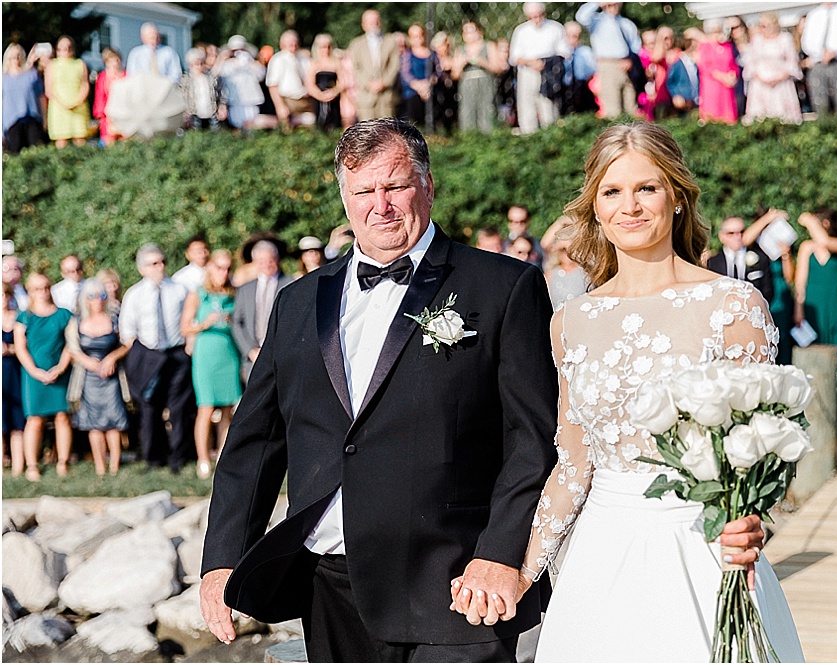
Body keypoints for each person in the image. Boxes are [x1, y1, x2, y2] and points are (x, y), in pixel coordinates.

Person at [200, 118, 559, 663]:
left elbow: (532, 439)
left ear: (427, 185)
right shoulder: (298, 301)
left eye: (395, 186)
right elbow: (255, 441)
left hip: (458, 582)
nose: (380, 205)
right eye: (364, 191)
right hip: (330, 584)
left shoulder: (505, 287)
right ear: (344, 198)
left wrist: (500, 555)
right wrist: (223, 557)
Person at [450, 122, 802, 662]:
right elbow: (572, 464)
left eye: (647, 188)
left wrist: (750, 522)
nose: (630, 206)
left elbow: (765, 449)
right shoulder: (571, 320)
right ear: (595, 207)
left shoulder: (733, 305)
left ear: (677, 197)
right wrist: (518, 571)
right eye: (612, 192)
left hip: (704, 551)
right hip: (601, 556)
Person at [119, 243, 195, 473]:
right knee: (149, 407)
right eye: (153, 263)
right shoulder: (135, 294)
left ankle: (178, 457)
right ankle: (154, 456)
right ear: (142, 268)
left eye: (162, 262)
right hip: (148, 354)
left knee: (179, 408)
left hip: (175, 353)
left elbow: (188, 321)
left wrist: (187, 346)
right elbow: (127, 330)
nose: (160, 267)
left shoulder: (179, 289)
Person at [180, 249, 241, 480]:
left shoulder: (233, 294)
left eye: (227, 268)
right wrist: (204, 323)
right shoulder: (197, 294)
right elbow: (184, 328)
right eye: (219, 267)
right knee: (205, 408)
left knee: (227, 409)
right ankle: (203, 458)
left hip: (228, 354)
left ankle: (223, 455)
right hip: (206, 355)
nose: (223, 273)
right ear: (210, 267)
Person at [66, 278, 130, 477]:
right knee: (93, 423)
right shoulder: (76, 321)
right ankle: (100, 467)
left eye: (101, 295)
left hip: (111, 378)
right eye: (92, 296)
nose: (97, 300)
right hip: (88, 378)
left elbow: (127, 343)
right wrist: (87, 362)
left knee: (113, 420)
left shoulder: (115, 319)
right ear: (85, 299)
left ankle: (114, 467)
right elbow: (72, 348)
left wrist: (112, 358)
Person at [14, 273, 73, 481]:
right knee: (35, 419)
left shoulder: (64, 315)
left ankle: (62, 462)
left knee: (62, 417)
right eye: (37, 288)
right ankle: (31, 466)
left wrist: (60, 368)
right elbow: (21, 348)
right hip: (33, 375)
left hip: (60, 372)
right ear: (30, 291)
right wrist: (35, 371)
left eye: (46, 287)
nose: (43, 292)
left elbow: (70, 344)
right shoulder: (24, 317)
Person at [794, 209, 837, 369]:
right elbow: (800, 282)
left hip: (835, 305)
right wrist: (798, 309)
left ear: (825, 224)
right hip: (812, 306)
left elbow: (825, 243)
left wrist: (808, 220)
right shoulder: (807, 247)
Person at [231, 239, 292, 381]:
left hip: (281, 357)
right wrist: (249, 350)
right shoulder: (245, 289)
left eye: (270, 260)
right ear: (255, 262)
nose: (266, 264)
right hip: (253, 358)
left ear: (277, 259)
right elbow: (237, 322)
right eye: (261, 261)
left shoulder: (291, 284)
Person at [743, 208, 796, 363]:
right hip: (760, 292)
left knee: (781, 335)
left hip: (780, 295)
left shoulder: (782, 244)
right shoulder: (755, 247)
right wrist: (768, 218)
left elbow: (790, 277)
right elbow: (744, 239)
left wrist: (786, 254)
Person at [509, 3, 569, 135]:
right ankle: (528, 136)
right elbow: (514, 57)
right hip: (528, 73)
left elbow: (564, 52)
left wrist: (546, 63)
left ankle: (551, 136)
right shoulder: (521, 31)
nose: (536, 19)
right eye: (532, 17)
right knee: (527, 107)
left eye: (539, 15)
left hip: (549, 73)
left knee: (549, 109)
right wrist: (531, 63)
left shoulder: (555, 28)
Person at [576, 2, 642, 119]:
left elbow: (636, 46)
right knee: (612, 110)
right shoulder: (597, 21)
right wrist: (597, 3)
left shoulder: (626, 23)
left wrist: (630, 61)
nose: (613, 6)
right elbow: (581, 16)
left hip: (627, 67)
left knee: (631, 107)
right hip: (607, 65)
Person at [742, 13, 803, 124]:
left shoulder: (785, 39)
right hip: (760, 84)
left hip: (781, 84)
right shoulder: (756, 40)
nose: (763, 29)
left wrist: (780, 78)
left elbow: (792, 61)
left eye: (765, 26)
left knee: (784, 118)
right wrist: (760, 78)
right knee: (760, 118)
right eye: (761, 26)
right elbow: (750, 63)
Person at [347, 10, 401, 121]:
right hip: (366, 97)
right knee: (367, 133)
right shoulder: (356, 44)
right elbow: (356, 68)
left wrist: (384, 82)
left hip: (387, 97)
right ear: (363, 24)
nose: (374, 23)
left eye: (376, 20)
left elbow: (395, 65)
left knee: (387, 132)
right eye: (370, 21)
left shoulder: (391, 42)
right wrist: (369, 84)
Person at [707, 216, 774, 304]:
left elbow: (767, 292)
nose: (737, 236)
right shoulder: (712, 262)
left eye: (741, 232)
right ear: (721, 236)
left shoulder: (761, 258)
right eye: (731, 233)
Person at [452, 21, 501, 133]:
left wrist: (481, 61)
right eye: (465, 31)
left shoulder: (488, 45)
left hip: (485, 82)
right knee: (468, 114)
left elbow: (497, 68)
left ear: (479, 32)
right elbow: (455, 75)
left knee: (487, 112)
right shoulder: (460, 50)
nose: (468, 34)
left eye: (471, 31)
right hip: (467, 85)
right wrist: (461, 64)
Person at [686, 21, 738, 125]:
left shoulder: (727, 46)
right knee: (712, 114)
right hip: (712, 85)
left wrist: (733, 75)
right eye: (714, 32)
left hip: (726, 87)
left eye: (719, 31)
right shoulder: (706, 46)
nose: (717, 35)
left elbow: (733, 64)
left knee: (727, 114)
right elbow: (705, 66)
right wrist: (722, 77)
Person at [45, 36, 90, 149]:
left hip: (78, 107)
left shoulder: (80, 64)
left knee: (80, 139)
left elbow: (85, 84)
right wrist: (63, 104)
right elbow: (49, 89)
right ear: (57, 49)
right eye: (62, 47)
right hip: (59, 108)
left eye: (69, 47)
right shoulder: (52, 65)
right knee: (61, 140)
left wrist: (78, 101)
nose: (66, 50)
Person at [2, 43, 47, 154]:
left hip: (32, 119)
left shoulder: (32, 75)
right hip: (11, 122)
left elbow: (41, 97)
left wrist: (45, 119)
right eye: (11, 57)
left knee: (35, 153)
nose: (15, 59)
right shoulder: (3, 79)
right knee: (15, 154)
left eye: (18, 56)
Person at [266, 30, 314, 129]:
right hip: (288, 100)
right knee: (288, 130)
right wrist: (280, 106)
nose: (294, 46)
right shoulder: (278, 59)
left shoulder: (304, 59)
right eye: (290, 44)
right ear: (282, 44)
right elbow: (273, 85)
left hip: (305, 100)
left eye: (295, 43)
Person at [2, 283, 26, 477]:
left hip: (14, 373)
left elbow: (24, 347)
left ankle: (19, 468)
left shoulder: (18, 318)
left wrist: (9, 350)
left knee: (17, 422)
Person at [179, 47, 228, 130]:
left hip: (211, 114)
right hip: (193, 115)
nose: (199, 66)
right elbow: (181, 97)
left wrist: (222, 106)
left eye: (202, 63)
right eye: (196, 64)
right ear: (190, 65)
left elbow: (221, 93)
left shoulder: (211, 78)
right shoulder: (185, 80)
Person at [305, 34, 343, 131]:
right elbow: (310, 84)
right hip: (317, 100)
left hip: (334, 99)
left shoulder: (336, 62)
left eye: (327, 46)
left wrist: (333, 92)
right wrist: (320, 95)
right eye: (322, 47)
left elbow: (342, 81)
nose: (325, 49)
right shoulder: (314, 63)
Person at [560, 21, 597, 116]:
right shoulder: (560, 53)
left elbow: (592, 70)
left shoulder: (585, 51)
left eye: (576, 36)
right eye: (569, 35)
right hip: (564, 88)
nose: (572, 39)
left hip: (582, 87)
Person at [399, 24, 433, 126]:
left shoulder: (432, 54)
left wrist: (428, 83)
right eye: (414, 36)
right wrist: (418, 86)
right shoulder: (407, 56)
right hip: (412, 93)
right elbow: (405, 74)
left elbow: (438, 71)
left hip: (431, 91)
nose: (417, 39)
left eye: (420, 35)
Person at [92, 48, 126, 146]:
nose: (115, 63)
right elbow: (99, 97)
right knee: (108, 142)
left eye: (117, 59)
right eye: (111, 60)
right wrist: (101, 115)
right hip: (108, 116)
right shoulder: (102, 77)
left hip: (124, 114)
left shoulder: (127, 76)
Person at [430, 32, 459, 135]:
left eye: (446, 45)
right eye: (441, 44)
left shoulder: (453, 58)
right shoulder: (432, 60)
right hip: (438, 92)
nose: (443, 48)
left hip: (452, 92)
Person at [505, 205, 544, 269]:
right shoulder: (502, 244)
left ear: (528, 221)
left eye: (522, 221)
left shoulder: (536, 245)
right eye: (513, 221)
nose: (518, 225)